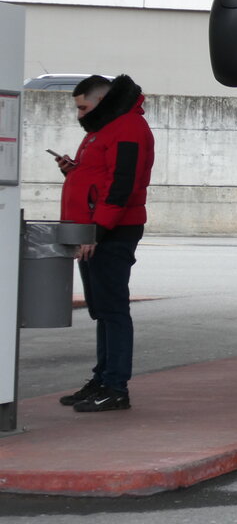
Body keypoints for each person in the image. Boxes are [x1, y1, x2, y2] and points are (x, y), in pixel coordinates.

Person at [55, 74, 155, 412]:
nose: (79, 115)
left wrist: (97, 231)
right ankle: (103, 379)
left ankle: (115, 386)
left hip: (111, 231)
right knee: (103, 310)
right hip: (97, 229)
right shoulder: (106, 127)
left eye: (83, 107)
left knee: (112, 310)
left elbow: (121, 186)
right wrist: (73, 171)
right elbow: (102, 179)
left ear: (101, 100)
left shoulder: (127, 128)